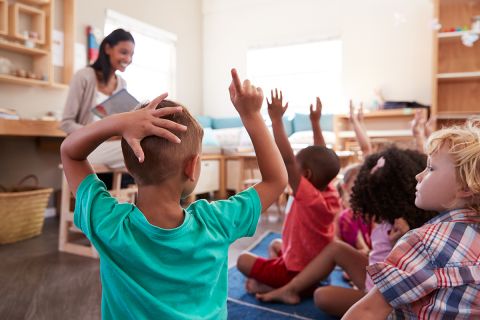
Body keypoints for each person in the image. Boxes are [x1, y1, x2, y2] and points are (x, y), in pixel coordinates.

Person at [60, 69, 288, 319]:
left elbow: (70, 152)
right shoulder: (216, 222)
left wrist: (119, 122)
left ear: (130, 166)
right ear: (192, 167)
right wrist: (252, 116)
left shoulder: (109, 225)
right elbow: (276, 181)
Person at [257, 147, 436, 318]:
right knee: (336, 248)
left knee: (322, 296)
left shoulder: (405, 226)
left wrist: (399, 243)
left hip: (383, 296)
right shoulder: (392, 215)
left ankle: (290, 287)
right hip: (376, 275)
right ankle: (289, 289)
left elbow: (410, 275)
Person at [343, 119, 480, 319]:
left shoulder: (424, 242)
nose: (418, 176)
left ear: (465, 187)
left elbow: (368, 311)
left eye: (431, 169)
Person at [237, 91, 341, 294]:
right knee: (277, 244)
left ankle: (286, 287)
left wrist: (276, 120)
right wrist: (315, 122)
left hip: (295, 271)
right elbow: (323, 154)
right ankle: (299, 283)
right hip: (317, 268)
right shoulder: (328, 191)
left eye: (298, 170)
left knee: (242, 260)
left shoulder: (309, 198)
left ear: (307, 174)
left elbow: (287, 159)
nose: (293, 173)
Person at [61, 28, 135, 169]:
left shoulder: (122, 84)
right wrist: (101, 132)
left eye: (131, 55)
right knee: (137, 151)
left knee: (142, 146)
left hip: (110, 146)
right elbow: (66, 124)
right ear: (107, 48)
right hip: (85, 147)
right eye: (124, 52)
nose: (128, 59)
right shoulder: (84, 76)